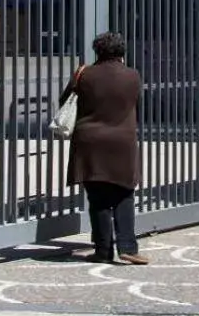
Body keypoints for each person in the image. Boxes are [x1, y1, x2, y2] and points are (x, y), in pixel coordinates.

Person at [60, 31, 148, 265]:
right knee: (124, 194)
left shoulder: (84, 74)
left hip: (90, 142)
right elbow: (137, 103)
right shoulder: (132, 76)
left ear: (97, 51)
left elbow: (65, 101)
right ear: (122, 52)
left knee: (98, 199)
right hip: (123, 142)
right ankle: (128, 247)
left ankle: (103, 250)